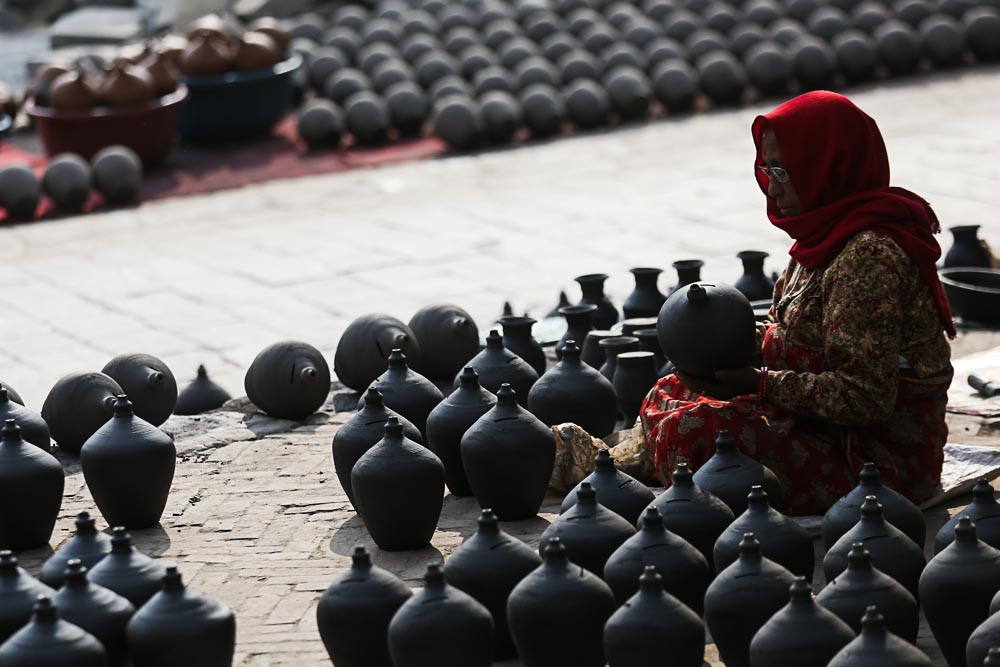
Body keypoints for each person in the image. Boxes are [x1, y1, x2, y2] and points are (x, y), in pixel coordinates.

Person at [639, 90, 955, 515]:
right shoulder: (821, 237)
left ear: (829, 168)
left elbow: (866, 398)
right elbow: (792, 333)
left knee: (695, 429)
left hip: (878, 458)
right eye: (767, 169)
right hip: (822, 420)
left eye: (784, 171)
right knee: (671, 389)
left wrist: (758, 383)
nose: (772, 186)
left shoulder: (869, 257)